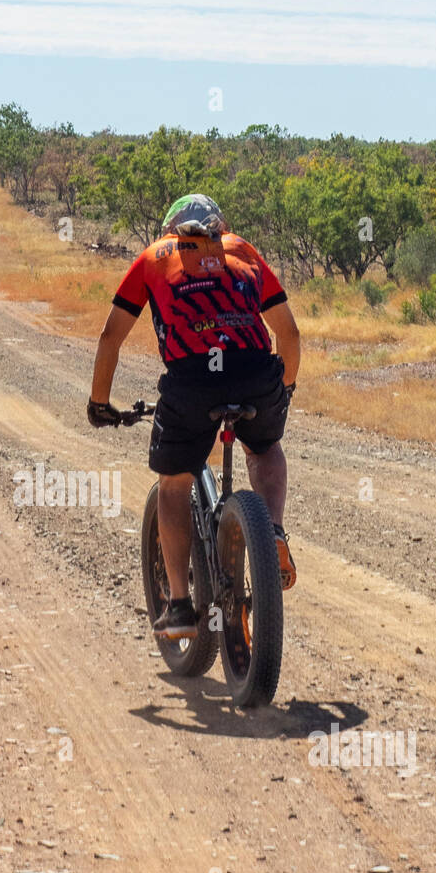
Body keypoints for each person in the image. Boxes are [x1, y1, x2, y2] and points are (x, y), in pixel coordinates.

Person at [88, 193, 300, 639]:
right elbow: (289, 332)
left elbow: (111, 336)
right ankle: (274, 531)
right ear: (218, 228)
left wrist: (99, 403)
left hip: (192, 381)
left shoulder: (151, 258)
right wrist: (284, 392)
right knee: (264, 448)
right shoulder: (240, 248)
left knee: (174, 482)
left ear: (171, 229)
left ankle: (181, 605)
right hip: (256, 373)